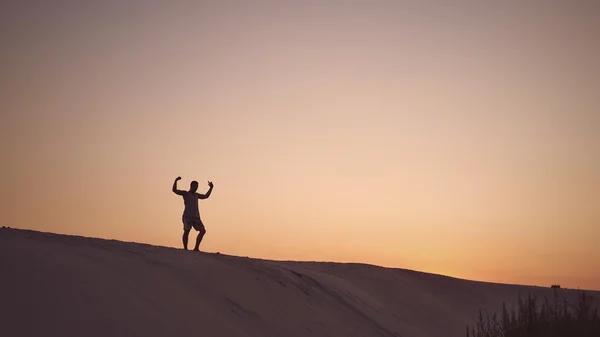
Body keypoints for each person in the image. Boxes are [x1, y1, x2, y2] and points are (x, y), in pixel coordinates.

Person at [172, 176, 213, 251]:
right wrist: (176, 180)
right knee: (187, 231)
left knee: (203, 231)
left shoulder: (196, 195)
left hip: (196, 217)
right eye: (195, 186)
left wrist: (211, 188)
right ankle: (185, 248)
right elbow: (174, 190)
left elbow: (205, 196)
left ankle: (196, 247)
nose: (196, 188)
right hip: (187, 216)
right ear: (191, 186)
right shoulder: (186, 193)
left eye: (197, 187)